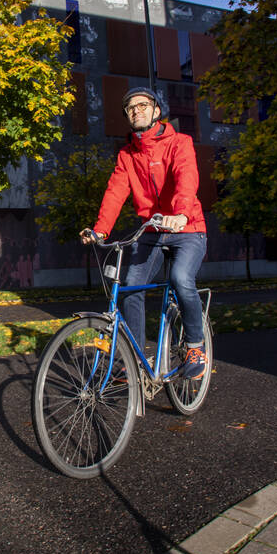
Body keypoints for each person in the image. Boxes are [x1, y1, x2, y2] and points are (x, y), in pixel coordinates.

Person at [80, 87, 208, 378]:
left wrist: (181, 213)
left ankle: (195, 345)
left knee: (180, 278)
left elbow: (186, 177)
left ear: (156, 111)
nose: (136, 110)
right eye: (130, 108)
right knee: (131, 288)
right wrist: (100, 230)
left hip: (187, 228)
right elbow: (115, 192)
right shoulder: (127, 155)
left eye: (142, 105)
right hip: (151, 230)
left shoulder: (179, 143)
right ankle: (133, 359)